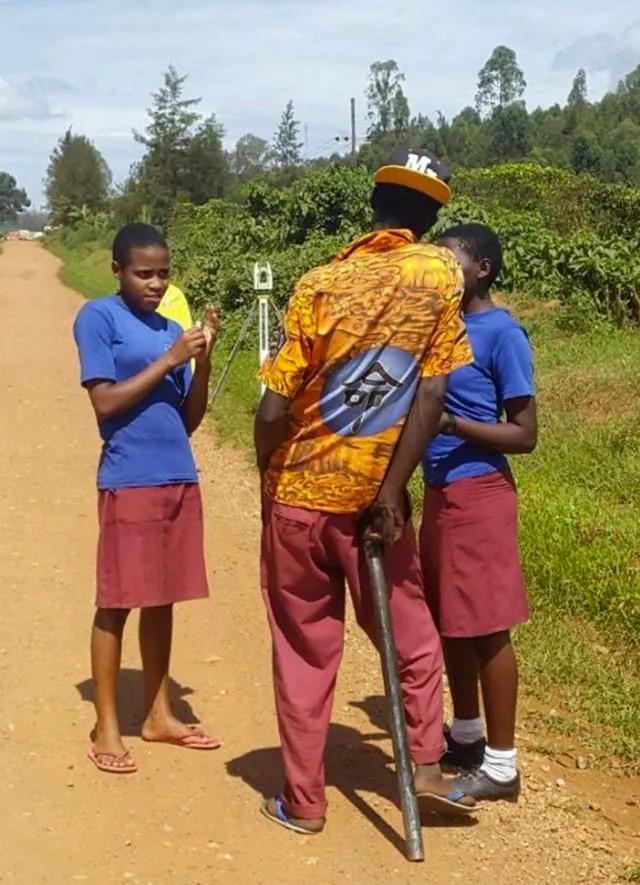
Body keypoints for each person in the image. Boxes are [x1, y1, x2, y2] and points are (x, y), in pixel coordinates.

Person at [254, 147, 477, 835]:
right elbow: (433, 391)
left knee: (303, 648)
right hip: (374, 503)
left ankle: (304, 800)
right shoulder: (441, 271)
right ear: (432, 216)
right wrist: (390, 488)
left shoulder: (318, 282)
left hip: (300, 495)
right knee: (409, 634)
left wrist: (270, 487)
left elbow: (270, 410)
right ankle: (429, 767)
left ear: (372, 205)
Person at [73, 222, 221, 774]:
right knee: (117, 600)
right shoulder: (98, 318)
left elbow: (187, 421)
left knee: (163, 597)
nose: (155, 284)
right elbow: (105, 404)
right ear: (117, 271)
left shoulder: (168, 328)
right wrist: (170, 359)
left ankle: (158, 714)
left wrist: (199, 362)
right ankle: (107, 725)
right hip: (128, 477)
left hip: (176, 473)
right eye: (143, 274)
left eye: (163, 273)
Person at [420, 223, 537, 801]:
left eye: (450, 263)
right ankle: (465, 735)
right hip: (440, 493)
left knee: (488, 627)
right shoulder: (439, 328)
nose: (439, 273)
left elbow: (524, 434)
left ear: (482, 269)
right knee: (450, 621)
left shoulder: (500, 334)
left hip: (480, 493)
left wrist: (452, 425)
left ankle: (501, 764)